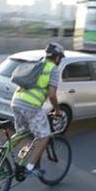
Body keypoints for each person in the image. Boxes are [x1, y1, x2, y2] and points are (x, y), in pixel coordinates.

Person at [10, 42, 64, 176]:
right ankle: (30, 167)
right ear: (57, 58)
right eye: (60, 58)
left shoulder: (37, 63)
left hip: (16, 101)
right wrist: (57, 110)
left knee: (22, 132)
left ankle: (0, 156)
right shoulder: (53, 69)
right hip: (31, 106)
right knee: (44, 136)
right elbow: (52, 95)